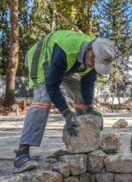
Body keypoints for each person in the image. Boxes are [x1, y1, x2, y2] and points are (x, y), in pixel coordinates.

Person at [14, 30, 115, 173]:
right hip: (42, 57)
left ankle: (82, 138)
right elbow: (52, 86)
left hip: (67, 64)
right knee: (43, 98)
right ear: (89, 49)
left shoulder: (94, 57)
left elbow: (87, 84)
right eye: (94, 61)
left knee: (81, 94)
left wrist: (89, 108)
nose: (94, 65)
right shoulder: (66, 50)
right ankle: (22, 153)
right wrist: (66, 113)